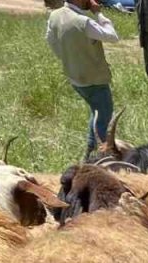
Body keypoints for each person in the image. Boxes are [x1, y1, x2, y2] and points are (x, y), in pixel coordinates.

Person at [45, 0, 119, 156]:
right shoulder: (83, 22)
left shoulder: (55, 15)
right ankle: (97, 155)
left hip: (74, 76)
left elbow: (50, 39)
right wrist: (98, 13)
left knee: (96, 112)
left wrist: (67, 57)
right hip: (94, 78)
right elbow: (112, 36)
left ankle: (91, 151)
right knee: (103, 118)